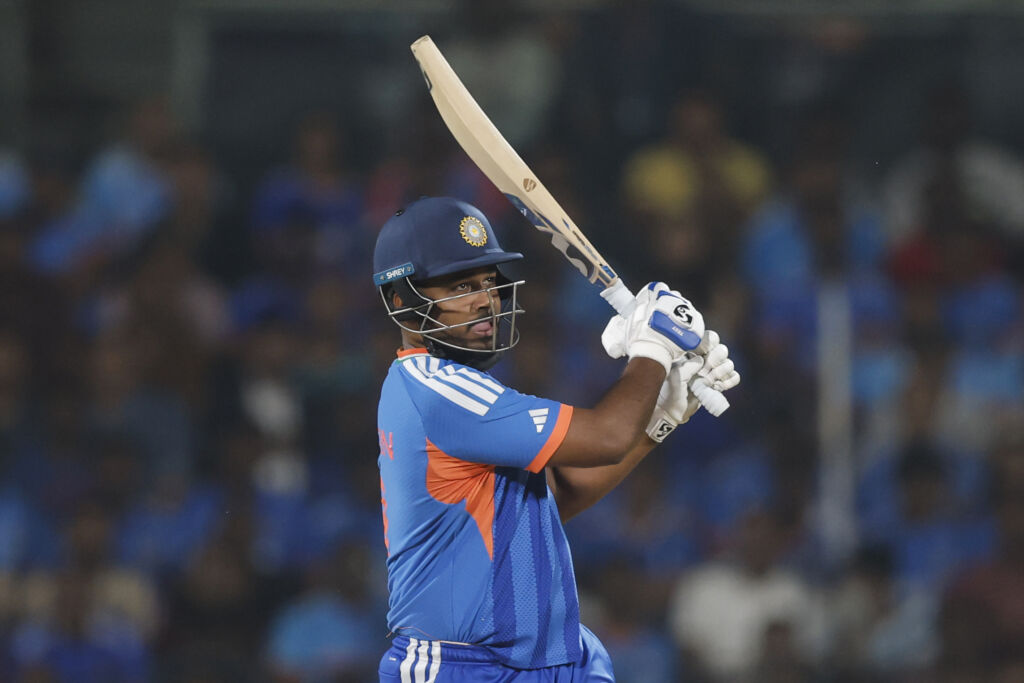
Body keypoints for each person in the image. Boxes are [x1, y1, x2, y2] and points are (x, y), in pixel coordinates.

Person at [371, 196, 739, 681]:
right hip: (465, 667)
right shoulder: (433, 388)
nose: (486, 299)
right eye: (461, 286)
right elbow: (608, 435)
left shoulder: (458, 389)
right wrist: (654, 346)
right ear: (401, 301)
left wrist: (662, 414)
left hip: (553, 659)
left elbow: (557, 495)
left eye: (489, 283)